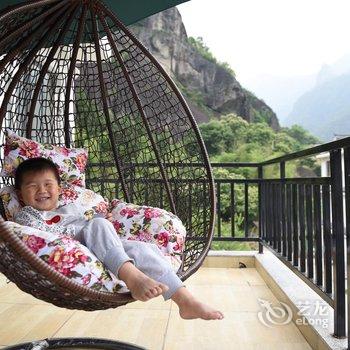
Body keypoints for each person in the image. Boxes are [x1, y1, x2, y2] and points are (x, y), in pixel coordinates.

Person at [13, 157, 224, 321]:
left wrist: (100, 222)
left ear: (59, 189)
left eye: (48, 184)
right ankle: (132, 277)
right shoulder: (27, 214)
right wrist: (95, 225)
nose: (42, 190)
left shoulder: (72, 208)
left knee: (142, 249)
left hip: (99, 248)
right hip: (72, 250)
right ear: (21, 194)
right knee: (98, 225)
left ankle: (184, 300)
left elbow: (89, 226)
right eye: (32, 186)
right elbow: (39, 234)